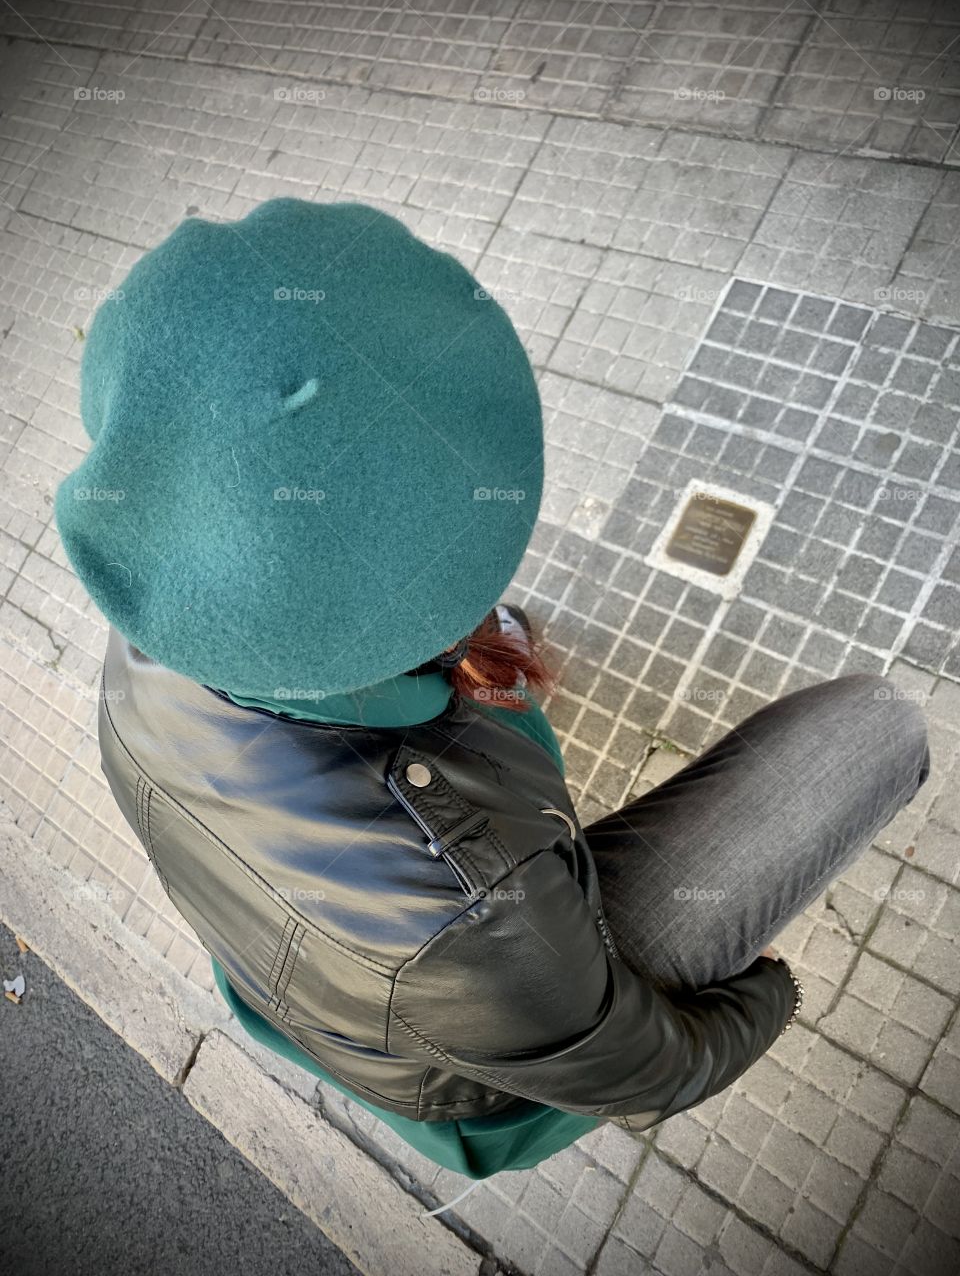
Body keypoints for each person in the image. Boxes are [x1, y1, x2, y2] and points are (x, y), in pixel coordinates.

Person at [55, 198, 930, 1185]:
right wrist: (769, 997)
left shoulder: (158, 632)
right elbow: (651, 1067)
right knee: (873, 730)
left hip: (347, 968)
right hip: (484, 1042)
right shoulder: (474, 915)